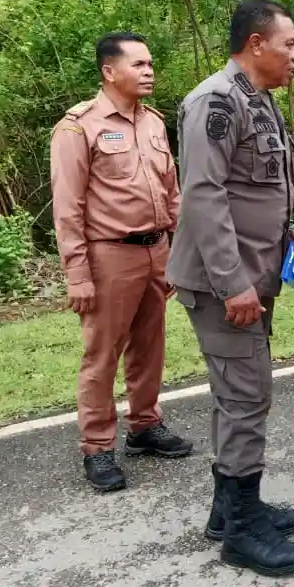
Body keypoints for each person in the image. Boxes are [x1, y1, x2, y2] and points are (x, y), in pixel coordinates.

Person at [166, 0, 294, 578]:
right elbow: (202, 197)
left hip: (253, 272)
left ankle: (229, 510)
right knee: (248, 397)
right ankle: (243, 530)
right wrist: (232, 285)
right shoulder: (215, 102)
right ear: (257, 44)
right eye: (290, 43)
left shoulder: (259, 101)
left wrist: (292, 236)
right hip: (224, 283)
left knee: (237, 394)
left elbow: (251, 194)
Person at [49, 32, 193, 493]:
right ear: (109, 71)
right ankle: (97, 447)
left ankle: (145, 426)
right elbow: (67, 207)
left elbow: (172, 192)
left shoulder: (152, 122)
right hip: (108, 254)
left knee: (150, 345)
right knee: (103, 353)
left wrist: (178, 251)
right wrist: (77, 274)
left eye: (151, 63)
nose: (149, 71)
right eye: (138, 64)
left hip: (156, 252)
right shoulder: (78, 127)